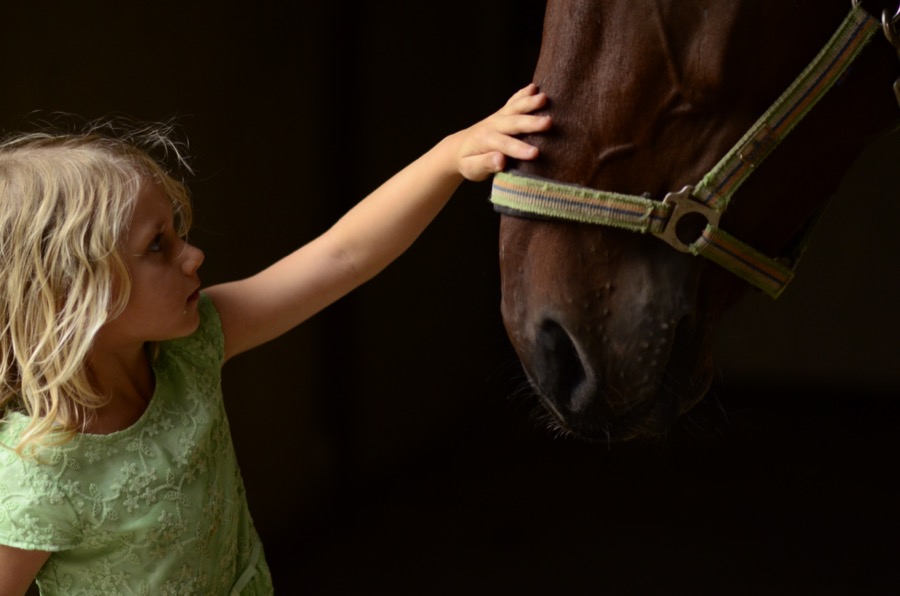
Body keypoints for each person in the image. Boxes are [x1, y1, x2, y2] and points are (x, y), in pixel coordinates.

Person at [0, 84, 550, 595]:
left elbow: (342, 256)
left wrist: (450, 157)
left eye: (178, 234)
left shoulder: (190, 350)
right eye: (157, 246)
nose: (193, 256)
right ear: (73, 293)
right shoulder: (37, 473)